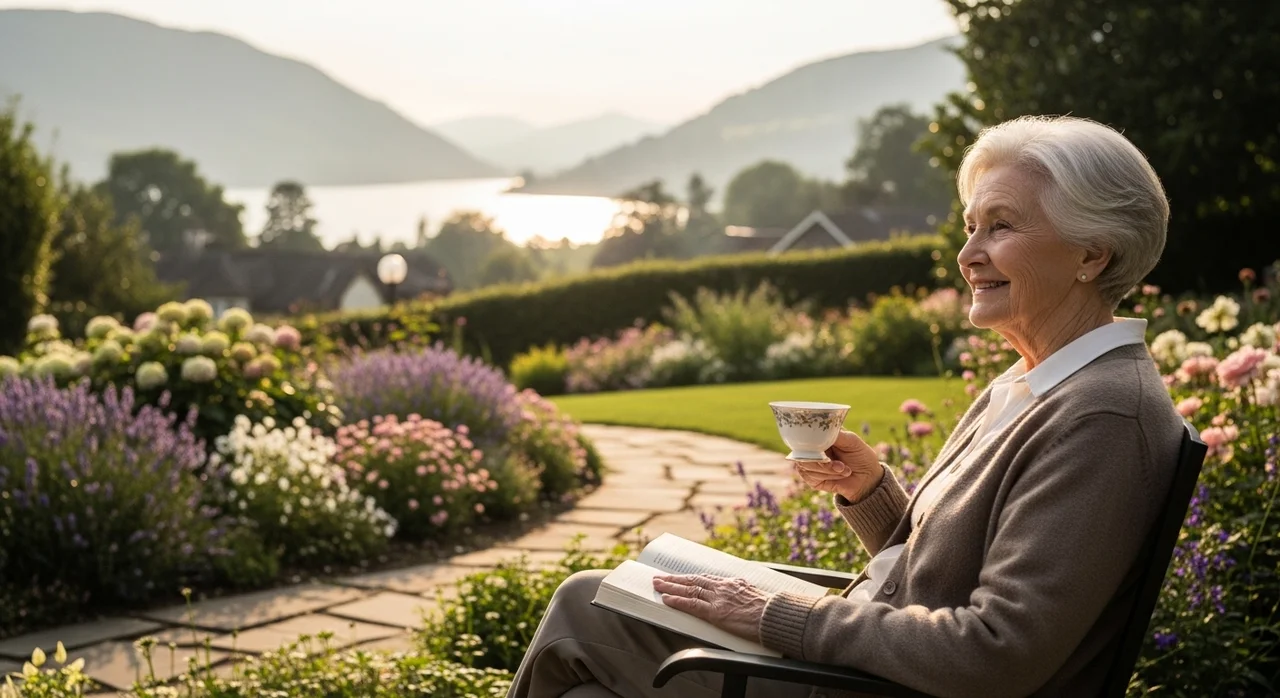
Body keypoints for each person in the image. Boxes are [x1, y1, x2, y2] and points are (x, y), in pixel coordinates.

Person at [507, 115, 1182, 698]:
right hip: (862, 672)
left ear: (1092, 253)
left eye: (1000, 227)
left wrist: (778, 614)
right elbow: (933, 577)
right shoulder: (1033, 383)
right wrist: (875, 497)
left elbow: (997, 650)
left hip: (867, 688)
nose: (967, 254)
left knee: (583, 605)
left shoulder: (1101, 417)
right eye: (971, 226)